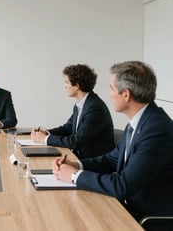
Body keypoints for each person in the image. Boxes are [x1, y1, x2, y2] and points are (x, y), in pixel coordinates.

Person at [52, 61, 173, 231]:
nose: (109, 95)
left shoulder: (156, 130)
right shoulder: (141, 121)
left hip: (145, 219)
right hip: (126, 207)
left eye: (111, 88)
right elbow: (110, 159)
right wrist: (76, 165)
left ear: (126, 95)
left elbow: (122, 186)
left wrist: (73, 176)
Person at [31, 64, 114, 158]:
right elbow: (68, 128)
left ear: (77, 86)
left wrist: (45, 139)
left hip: (94, 162)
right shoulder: (81, 104)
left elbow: (76, 142)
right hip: (79, 156)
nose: (65, 86)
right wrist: (46, 133)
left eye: (67, 82)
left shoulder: (95, 108)